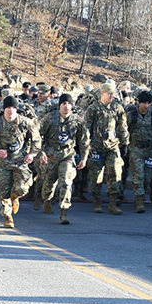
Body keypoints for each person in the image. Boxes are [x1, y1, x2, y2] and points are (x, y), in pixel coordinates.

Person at [0, 96, 41, 228]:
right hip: (3, 163)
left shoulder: (26, 123)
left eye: (13, 108)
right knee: (4, 191)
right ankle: (7, 217)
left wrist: (32, 154)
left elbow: (37, 140)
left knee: (22, 188)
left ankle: (15, 197)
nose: (11, 110)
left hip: (20, 162)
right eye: (8, 108)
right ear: (4, 109)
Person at [38, 94, 89, 224]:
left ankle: (64, 212)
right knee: (48, 184)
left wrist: (84, 157)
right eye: (64, 104)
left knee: (66, 182)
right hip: (51, 156)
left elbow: (83, 140)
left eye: (69, 104)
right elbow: (39, 137)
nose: (66, 106)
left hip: (67, 155)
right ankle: (47, 200)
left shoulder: (77, 120)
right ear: (60, 105)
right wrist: (41, 153)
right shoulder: (50, 118)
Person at [85, 81, 129, 215]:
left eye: (113, 94)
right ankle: (97, 200)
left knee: (115, 172)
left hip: (112, 146)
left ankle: (112, 203)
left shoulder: (117, 108)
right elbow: (86, 127)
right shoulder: (93, 109)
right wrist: (86, 144)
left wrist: (124, 143)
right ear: (102, 93)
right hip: (97, 146)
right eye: (109, 94)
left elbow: (122, 127)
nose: (111, 96)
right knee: (96, 174)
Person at [125, 90, 152, 213]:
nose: (146, 106)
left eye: (148, 103)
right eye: (143, 103)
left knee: (148, 176)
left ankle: (144, 192)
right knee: (138, 174)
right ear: (139, 102)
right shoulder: (132, 115)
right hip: (135, 148)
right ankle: (139, 201)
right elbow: (124, 129)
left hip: (149, 150)